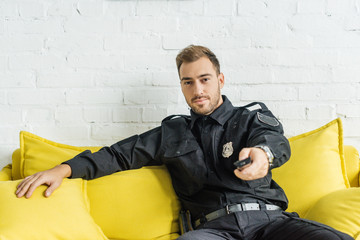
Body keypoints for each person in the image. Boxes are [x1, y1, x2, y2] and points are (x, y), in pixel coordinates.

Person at [16, 45, 353, 240]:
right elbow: (118, 155)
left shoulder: (251, 118)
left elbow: (274, 142)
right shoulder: (171, 132)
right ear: (181, 86)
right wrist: (63, 169)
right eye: (188, 82)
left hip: (270, 223)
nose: (198, 90)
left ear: (220, 80)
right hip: (213, 230)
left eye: (205, 79)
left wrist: (262, 156)